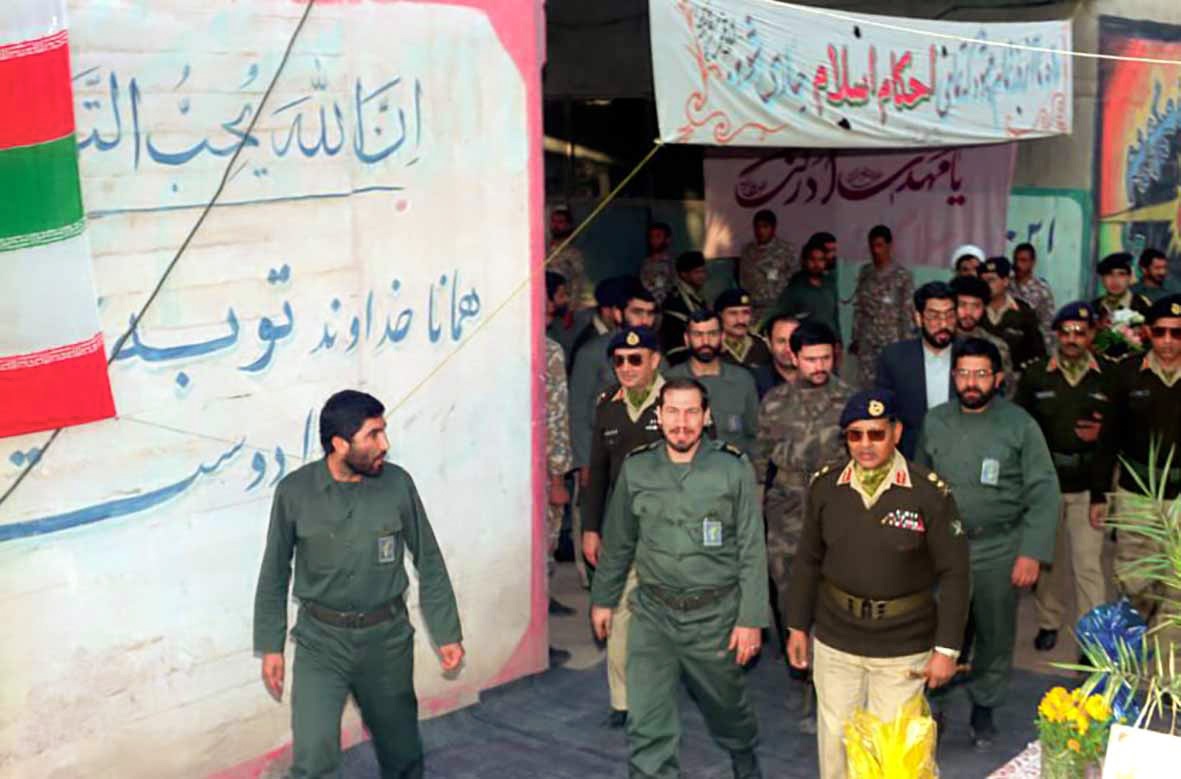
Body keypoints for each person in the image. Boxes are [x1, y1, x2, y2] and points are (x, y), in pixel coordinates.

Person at [253, 390, 463, 778]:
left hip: (387, 643)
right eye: (373, 435)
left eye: (384, 431)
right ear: (339, 444)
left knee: (402, 755)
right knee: (313, 760)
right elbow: (274, 572)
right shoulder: (294, 492)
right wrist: (271, 645)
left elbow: (429, 561)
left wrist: (447, 632)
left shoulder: (397, 485)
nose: (385, 444)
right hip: (320, 644)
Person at [590, 377, 770, 779]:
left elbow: (752, 548)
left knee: (727, 708)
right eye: (672, 411)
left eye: (691, 412)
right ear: (659, 415)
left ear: (706, 417)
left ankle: (743, 750)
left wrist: (751, 619)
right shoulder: (637, 467)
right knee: (646, 724)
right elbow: (618, 541)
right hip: (653, 615)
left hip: (714, 618)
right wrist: (603, 599)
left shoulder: (732, 468)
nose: (682, 422)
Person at [787, 389, 970, 779]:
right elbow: (807, 559)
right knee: (836, 745)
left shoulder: (928, 492)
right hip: (836, 639)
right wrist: (797, 626)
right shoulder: (826, 486)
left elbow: (956, 573)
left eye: (876, 434)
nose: (865, 444)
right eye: (855, 435)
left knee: (894, 754)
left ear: (896, 433)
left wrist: (947, 649)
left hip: (902, 646)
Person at [915, 338, 1060, 750]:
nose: (971, 382)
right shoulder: (936, 421)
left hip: (999, 547)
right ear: (953, 377)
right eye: (963, 373)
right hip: (945, 548)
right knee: (941, 628)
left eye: (981, 374)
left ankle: (985, 706)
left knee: (995, 632)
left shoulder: (1019, 425)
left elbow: (1043, 491)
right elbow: (918, 482)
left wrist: (1031, 552)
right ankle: (934, 703)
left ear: (997, 378)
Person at [753, 321, 852, 724]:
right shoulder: (774, 402)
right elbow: (760, 459)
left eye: (826, 358)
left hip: (836, 508)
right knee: (790, 595)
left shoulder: (849, 401)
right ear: (793, 357)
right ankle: (802, 673)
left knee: (833, 596)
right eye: (811, 359)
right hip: (788, 512)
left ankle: (826, 684)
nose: (819, 366)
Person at [1014, 302, 1114, 654]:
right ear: (1056, 333)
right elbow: (1019, 430)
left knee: (1089, 565)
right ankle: (1048, 622)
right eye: (1066, 332)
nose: (1072, 339)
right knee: (1049, 562)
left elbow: (1117, 433)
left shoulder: (1108, 375)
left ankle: (1093, 636)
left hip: (1089, 485)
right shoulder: (1036, 375)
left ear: (1092, 335)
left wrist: (1102, 492)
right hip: (1046, 484)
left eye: (1080, 333)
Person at [581, 326, 665, 728]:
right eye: (619, 361)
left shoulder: (678, 402)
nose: (627, 367)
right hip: (621, 526)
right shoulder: (607, 406)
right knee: (617, 613)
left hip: (667, 527)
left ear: (655, 360)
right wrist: (590, 527)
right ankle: (623, 701)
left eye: (636, 359)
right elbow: (598, 472)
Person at [1106, 294, 1181, 642]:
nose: (1168, 341)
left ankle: (1167, 667)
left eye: (1177, 333)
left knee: (1176, 586)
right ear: (1148, 332)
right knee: (1134, 581)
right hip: (1136, 494)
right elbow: (1109, 436)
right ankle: (1124, 652)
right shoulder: (1127, 372)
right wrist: (1099, 494)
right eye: (1160, 332)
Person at [874, 282, 957, 460]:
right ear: (918, 318)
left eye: (950, 316)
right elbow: (884, 412)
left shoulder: (972, 356)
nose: (944, 324)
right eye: (934, 316)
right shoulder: (895, 358)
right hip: (910, 454)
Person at [667, 309, 760, 455]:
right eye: (698, 335)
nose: (705, 341)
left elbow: (755, 435)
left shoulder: (742, 379)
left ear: (722, 337)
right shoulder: (670, 380)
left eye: (712, 334)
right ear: (686, 339)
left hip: (733, 464)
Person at [544, 293, 577, 628]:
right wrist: (557, 477)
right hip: (540, 472)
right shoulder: (549, 351)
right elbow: (555, 415)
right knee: (545, 542)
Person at [850, 224, 915, 387]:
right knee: (866, 385)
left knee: (892, 383)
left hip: (891, 341)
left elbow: (907, 314)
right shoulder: (866, 272)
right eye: (872, 246)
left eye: (879, 246)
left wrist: (907, 345)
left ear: (889, 246)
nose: (875, 251)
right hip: (867, 342)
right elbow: (859, 307)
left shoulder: (902, 276)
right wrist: (855, 337)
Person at [950, 275, 1017, 397]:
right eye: (962, 305)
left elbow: (1008, 391)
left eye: (976, 306)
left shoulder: (997, 346)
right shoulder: (940, 342)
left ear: (984, 308)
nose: (969, 312)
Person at [979, 256, 1047, 375]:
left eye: (991, 280)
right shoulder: (976, 311)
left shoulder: (1024, 312)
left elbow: (1037, 352)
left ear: (1005, 281)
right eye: (983, 281)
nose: (986, 285)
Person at [773, 240, 841, 343]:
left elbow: (835, 316)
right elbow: (781, 314)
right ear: (804, 261)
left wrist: (838, 340)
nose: (816, 264)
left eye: (821, 260)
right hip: (806, 342)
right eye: (812, 259)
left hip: (829, 341)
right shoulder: (795, 288)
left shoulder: (830, 285)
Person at [738, 209, 795, 323]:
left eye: (765, 227)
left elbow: (794, 280)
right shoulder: (747, 251)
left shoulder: (786, 250)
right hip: (752, 310)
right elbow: (743, 280)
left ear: (773, 228)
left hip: (777, 310)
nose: (760, 231)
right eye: (757, 227)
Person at [660, 250, 709, 356]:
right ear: (684, 274)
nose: (702, 276)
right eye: (697, 272)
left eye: (703, 271)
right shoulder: (675, 301)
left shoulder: (697, 296)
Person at [1011, 243, 1056, 353]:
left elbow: (1048, 323)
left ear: (1032, 262)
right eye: (1016, 260)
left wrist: (1048, 352)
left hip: (1032, 345)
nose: (1018, 264)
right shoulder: (1007, 284)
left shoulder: (1041, 289)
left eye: (1023, 260)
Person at [716, 288, 773, 370]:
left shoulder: (763, 347)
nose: (740, 320)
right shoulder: (712, 347)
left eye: (746, 313)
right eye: (733, 313)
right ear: (720, 316)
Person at [1092, 251, 1152, 327]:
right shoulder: (1094, 307)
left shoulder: (1142, 306)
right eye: (1109, 274)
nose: (1115, 280)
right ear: (1102, 279)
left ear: (1129, 277)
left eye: (1121, 274)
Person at [548, 206, 591, 309]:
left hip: (563, 305)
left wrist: (571, 309)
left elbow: (578, 281)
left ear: (568, 225)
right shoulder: (544, 248)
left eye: (560, 222)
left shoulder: (573, 252)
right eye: (553, 221)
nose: (555, 225)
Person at [752, 313, 801, 399]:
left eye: (793, 341)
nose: (788, 349)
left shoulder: (818, 378)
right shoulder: (753, 382)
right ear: (769, 344)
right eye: (781, 341)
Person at [639, 222, 675, 304]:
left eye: (658, 236)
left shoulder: (673, 263)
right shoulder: (646, 263)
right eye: (652, 237)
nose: (654, 240)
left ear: (667, 239)